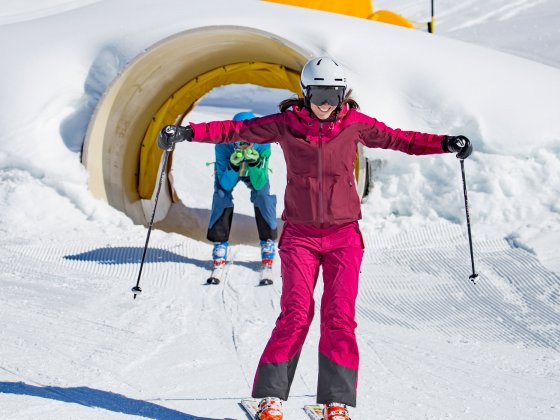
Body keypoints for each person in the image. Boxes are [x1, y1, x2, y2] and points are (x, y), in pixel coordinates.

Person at [157, 56, 473, 420]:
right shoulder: (285, 124)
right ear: (305, 93)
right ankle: (270, 397)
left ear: (343, 95)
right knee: (295, 313)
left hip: (344, 237)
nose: (326, 103)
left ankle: (334, 403)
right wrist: (186, 133)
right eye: (319, 93)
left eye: (333, 94)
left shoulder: (355, 125)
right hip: (300, 236)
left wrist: (446, 143)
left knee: (339, 317)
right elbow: (233, 131)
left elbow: (401, 140)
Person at [206, 111, 278, 270]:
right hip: (231, 168)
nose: (244, 146)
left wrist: (254, 163)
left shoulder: (264, 144)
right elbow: (224, 184)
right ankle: (220, 242)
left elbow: (259, 183)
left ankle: (268, 240)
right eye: (240, 142)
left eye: (249, 142)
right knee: (221, 194)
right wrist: (233, 165)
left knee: (263, 195)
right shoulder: (223, 145)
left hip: (253, 171)